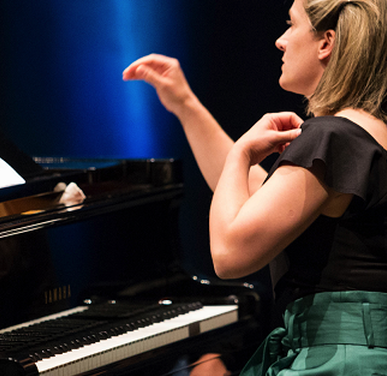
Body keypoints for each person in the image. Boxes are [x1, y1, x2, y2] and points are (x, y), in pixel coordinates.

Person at [123, 0, 387, 374]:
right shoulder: (367, 135)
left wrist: (241, 155)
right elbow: (260, 201)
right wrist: (185, 105)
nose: (280, 41)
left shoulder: (330, 135)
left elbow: (230, 255)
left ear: (326, 42)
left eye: (291, 25)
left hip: (341, 362)